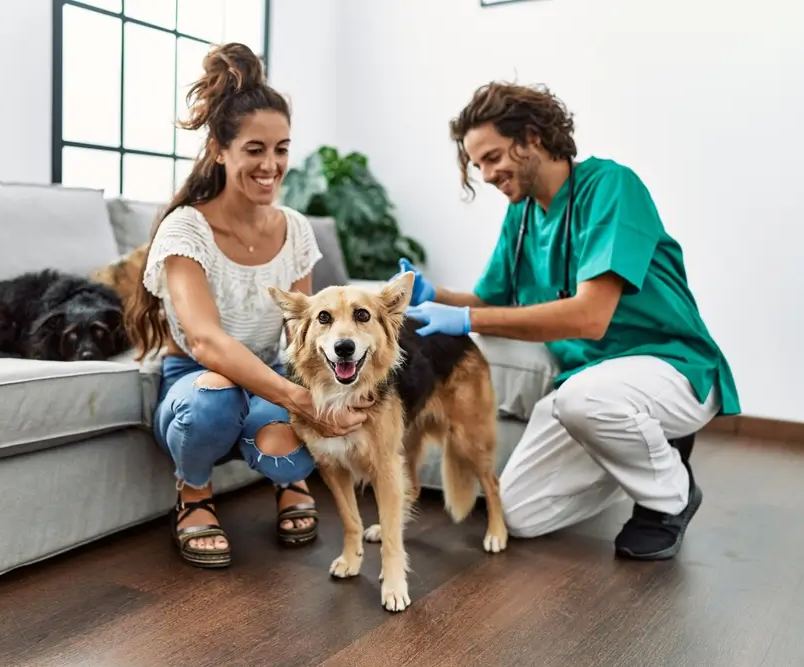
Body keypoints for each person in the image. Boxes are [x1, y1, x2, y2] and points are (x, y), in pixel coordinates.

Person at [398, 81, 740, 560]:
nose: (488, 174)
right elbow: (484, 299)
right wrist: (432, 293)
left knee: (583, 399)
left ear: (532, 137)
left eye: (494, 157)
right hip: (587, 385)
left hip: (670, 367)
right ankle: (643, 457)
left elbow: (591, 316)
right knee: (519, 514)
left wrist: (464, 315)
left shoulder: (610, 188)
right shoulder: (521, 218)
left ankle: (669, 496)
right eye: (478, 165)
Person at [130, 43, 368, 568]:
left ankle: (290, 483)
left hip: (267, 373)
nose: (271, 165)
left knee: (297, 449)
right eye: (255, 149)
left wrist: (323, 397)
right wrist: (299, 401)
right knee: (213, 399)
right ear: (220, 149)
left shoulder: (296, 230)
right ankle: (193, 493)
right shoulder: (186, 229)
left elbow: (299, 336)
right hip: (197, 379)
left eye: (281, 149)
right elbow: (206, 342)